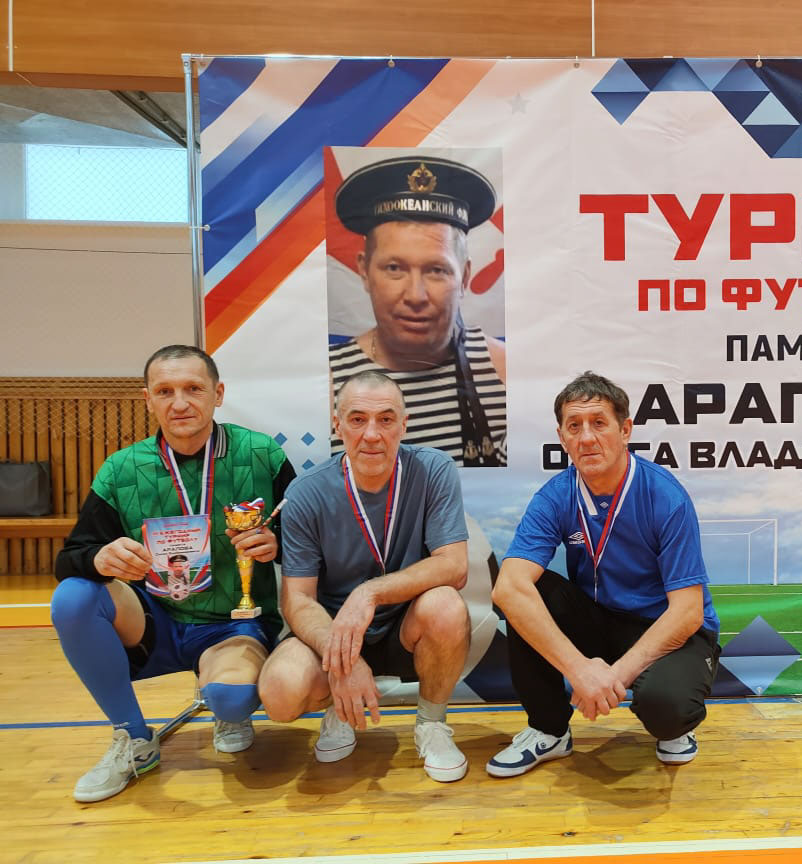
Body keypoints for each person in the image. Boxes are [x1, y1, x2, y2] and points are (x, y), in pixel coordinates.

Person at [51, 345, 295, 803]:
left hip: (233, 623)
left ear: (218, 394)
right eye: (165, 391)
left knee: (230, 699)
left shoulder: (262, 454)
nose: (179, 403)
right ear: (148, 399)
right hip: (153, 619)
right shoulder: (121, 469)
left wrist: (278, 543)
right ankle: (134, 738)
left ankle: (225, 704)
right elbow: (70, 557)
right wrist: (99, 558)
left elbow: (309, 538)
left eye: (193, 389)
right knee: (73, 597)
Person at [487, 372, 721, 777]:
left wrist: (614, 676)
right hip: (599, 620)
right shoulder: (555, 496)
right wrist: (579, 670)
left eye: (598, 423)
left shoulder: (665, 496)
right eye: (574, 426)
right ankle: (549, 730)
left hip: (664, 627)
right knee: (527, 591)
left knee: (666, 708)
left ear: (625, 430)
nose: (586, 438)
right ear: (561, 437)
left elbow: (687, 612)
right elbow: (508, 588)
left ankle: (676, 727)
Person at [258, 369, 472, 782]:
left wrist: (369, 594)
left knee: (446, 605)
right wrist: (343, 658)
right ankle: (339, 709)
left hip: (404, 626)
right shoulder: (306, 492)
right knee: (279, 695)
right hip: (333, 630)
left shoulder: (433, 470)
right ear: (337, 425)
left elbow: (454, 565)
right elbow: (298, 600)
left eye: (386, 419)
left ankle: (431, 724)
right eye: (357, 419)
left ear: (403, 425)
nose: (372, 434)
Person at [328, 155, 507, 467]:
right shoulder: (328, 382)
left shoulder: (504, 371)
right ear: (364, 272)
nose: (415, 295)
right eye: (394, 268)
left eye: (436, 270)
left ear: (464, 277)